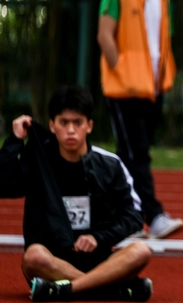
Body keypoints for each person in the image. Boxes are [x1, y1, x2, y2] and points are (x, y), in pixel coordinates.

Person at [0, 86, 153, 301]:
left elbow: (134, 217)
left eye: (78, 122)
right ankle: (109, 289)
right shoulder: (38, 164)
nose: (71, 130)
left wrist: (98, 237)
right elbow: (3, 185)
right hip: (53, 263)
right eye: (64, 123)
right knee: (33, 256)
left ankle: (67, 289)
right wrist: (15, 140)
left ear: (89, 126)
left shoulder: (110, 165)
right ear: (52, 126)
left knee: (141, 250)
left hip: (99, 261)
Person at [97, 0, 183, 239]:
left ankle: (119, 219)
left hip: (153, 88)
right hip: (125, 88)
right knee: (136, 154)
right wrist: (119, 69)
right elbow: (105, 34)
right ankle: (154, 215)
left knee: (129, 154)